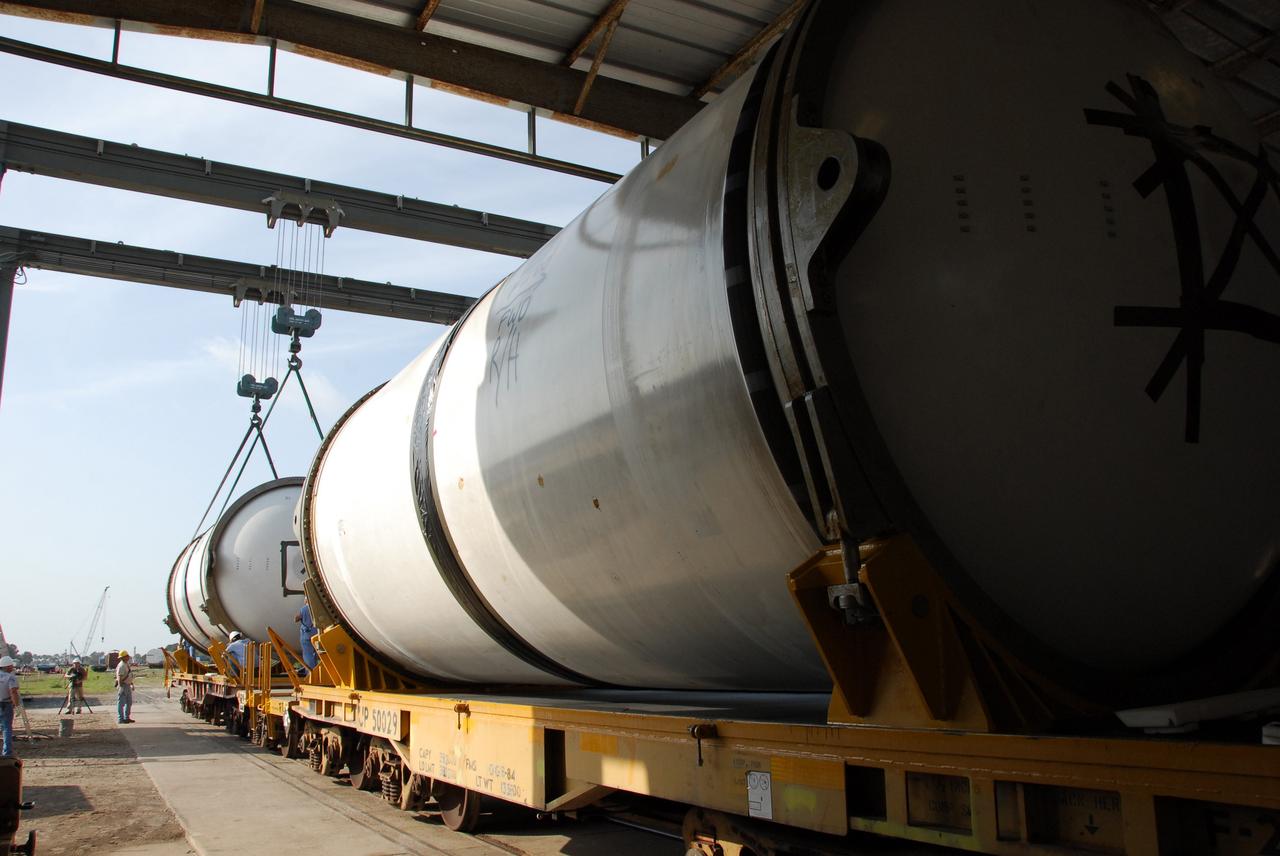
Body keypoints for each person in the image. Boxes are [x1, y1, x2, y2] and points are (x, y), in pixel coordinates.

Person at [0, 656, 19, 756]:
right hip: (5, 704)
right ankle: (7, 753)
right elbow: (13, 692)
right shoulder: (10, 677)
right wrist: (17, 705)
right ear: (7, 666)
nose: (12, 667)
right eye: (11, 665)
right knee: (7, 728)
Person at [296, 602, 318, 671]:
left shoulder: (303, 609)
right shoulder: (316, 607)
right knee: (315, 655)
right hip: (315, 634)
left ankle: (310, 673)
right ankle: (316, 671)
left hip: (306, 635)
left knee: (308, 655)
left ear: (306, 601)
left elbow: (296, 619)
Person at [115, 650, 135, 724]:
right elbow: (120, 678)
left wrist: (131, 684)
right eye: (127, 656)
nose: (128, 657)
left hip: (127, 685)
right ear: (124, 657)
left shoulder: (126, 664)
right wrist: (121, 687)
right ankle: (121, 719)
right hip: (123, 686)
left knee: (129, 703)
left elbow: (128, 675)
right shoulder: (122, 665)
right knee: (121, 703)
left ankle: (126, 717)